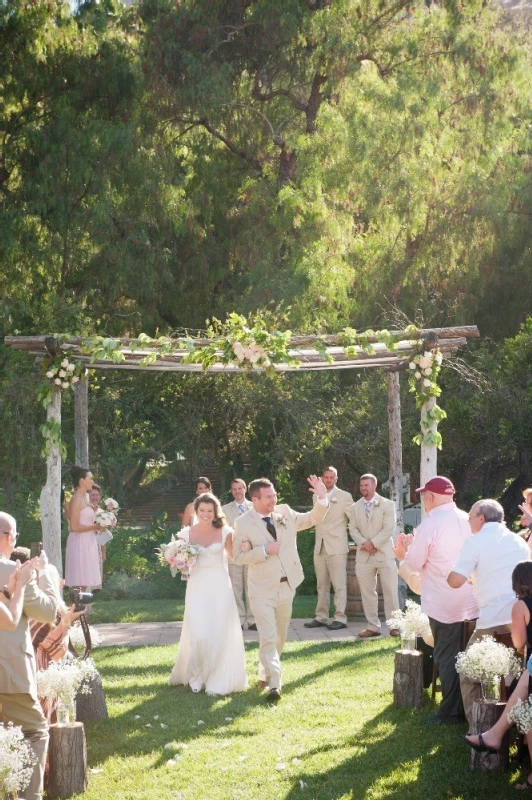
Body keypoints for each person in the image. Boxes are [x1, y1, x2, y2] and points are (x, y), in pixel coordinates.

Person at [232, 475, 329, 703]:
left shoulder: (284, 512)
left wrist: (322, 496)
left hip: (287, 586)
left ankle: (264, 673)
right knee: (268, 636)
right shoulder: (243, 523)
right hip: (262, 590)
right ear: (254, 499)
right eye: (268, 497)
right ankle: (275, 685)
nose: (273, 499)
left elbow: (312, 518)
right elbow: (238, 556)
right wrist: (265, 550)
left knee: (280, 637)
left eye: (274, 494)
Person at [395, 476, 478, 724]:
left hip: (444, 602)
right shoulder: (469, 519)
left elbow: (414, 563)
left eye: (423, 496)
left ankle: (451, 711)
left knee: (446, 655)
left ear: (429, 497)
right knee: (466, 653)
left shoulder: (430, 525)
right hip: (473, 599)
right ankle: (469, 706)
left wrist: (403, 554)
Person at [447, 497, 531, 724]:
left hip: (493, 620)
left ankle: (477, 727)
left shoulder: (475, 541)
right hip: (522, 621)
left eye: (470, 517)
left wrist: (450, 573)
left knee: (468, 672)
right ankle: (512, 724)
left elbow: (455, 581)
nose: (468, 521)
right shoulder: (517, 541)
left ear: (481, 518)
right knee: (515, 675)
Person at [0, 511, 59, 800]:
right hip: (10, 670)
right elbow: (49, 612)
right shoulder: (15, 571)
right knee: (34, 732)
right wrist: (44, 574)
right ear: (9, 537)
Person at [169, 493, 247, 695]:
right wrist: (177, 560)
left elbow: (234, 557)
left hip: (220, 586)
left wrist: (244, 546)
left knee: (219, 632)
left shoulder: (224, 532)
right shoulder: (186, 535)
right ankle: (196, 675)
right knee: (199, 633)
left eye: (209, 511)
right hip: (197, 586)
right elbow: (178, 561)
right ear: (196, 511)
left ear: (215, 512)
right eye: (202, 510)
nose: (205, 514)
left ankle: (216, 675)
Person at [349, 473, 399, 639]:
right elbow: (352, 529)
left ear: (374, 486)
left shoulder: (387, 504)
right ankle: (373, 626)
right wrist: (364, 543)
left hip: (384, 554)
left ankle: (394, 626)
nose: (363, 488)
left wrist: (373, 544)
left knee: (390, 590)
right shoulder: (355, 507)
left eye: (366, 485)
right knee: (367, 592)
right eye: (361, 485)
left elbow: (388, 528)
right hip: (364, 556)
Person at [305, 466, 353, 631]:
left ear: (336, 479)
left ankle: (340, 618)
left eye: (332, 477)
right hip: (320, 546)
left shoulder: (345, 496)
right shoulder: (316, 497)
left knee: (339, 585)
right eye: (326, 477)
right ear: (322, 478)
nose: (328, 480)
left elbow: (353, 519)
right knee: (322, 585)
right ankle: (321, 617)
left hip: (337, 547)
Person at [222, 479, 255, 630]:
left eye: (239, 488)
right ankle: (240, 619)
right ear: (231, 491)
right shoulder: (224, 509)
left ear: (245, 489)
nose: (237, 492)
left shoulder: (254, 507)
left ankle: (252, 619)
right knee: (236, 588)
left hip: (251, 553)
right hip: (234, 554)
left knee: (251, 587)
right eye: (234, 489)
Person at [64, 466, 101, 590]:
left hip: (88, 541)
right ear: (82, 481)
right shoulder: (76, 500)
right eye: (90, 479)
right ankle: (75, 608)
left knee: (84, 582)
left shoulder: (84, 499)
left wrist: (100, 525)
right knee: (79, 582)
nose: (92, 482)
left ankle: (80, 608)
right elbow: (73, 527)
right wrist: (94, 526)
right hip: (80, 542)